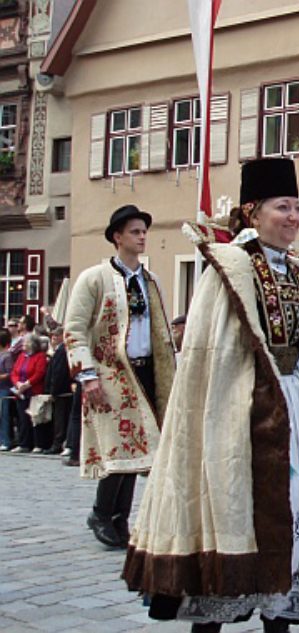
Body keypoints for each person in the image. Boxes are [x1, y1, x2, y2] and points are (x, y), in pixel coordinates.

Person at [122, 158, 299, 633]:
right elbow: (215, 362)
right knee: (235, 519)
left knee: (291, 526)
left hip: (296, 417)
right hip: (239, 419)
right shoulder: (230, 269)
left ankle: (277, 623)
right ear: (252, 211)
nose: (294, 217)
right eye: (283, 206)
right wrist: (246, 407)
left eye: (298, 207)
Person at [64, 204, 176, 548]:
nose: (142, 238)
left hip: (145, 372)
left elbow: (160, 329)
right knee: (118, 446)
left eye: (144, 232)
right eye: (135, 232)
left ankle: (119, 517)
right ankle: (102, 512)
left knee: (138, 450)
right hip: (111, 372)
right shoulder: (94, 278)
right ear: (117, 237)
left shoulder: (150, 281)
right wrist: (87, 375)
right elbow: (75, 328)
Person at [10, 333, 49, 453]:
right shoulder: (22, 356)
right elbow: (14, 372)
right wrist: (18, 384)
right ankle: (24, 443)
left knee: (35, 418)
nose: (23, 345)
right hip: (21, 392)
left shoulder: (40, 356)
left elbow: (39, 372)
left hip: (33, 391)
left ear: (32, 344)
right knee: (22, 419)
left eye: (25, 342)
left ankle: (38, 444)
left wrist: (27, 384)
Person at [43, 327, 73, 455]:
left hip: (62, 390)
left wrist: (53, 390)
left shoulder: (62, 350)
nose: (54, 338)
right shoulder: (57, 350)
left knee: (60, 418)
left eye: (56, 336)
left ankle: (58, 443)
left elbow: (58, 372)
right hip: (59, 390)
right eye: (53, 336)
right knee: (59, 417)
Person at [0, 329, 13, 451]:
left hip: (4, 388)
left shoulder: (7, 355)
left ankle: (6, 440)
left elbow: (10, 373)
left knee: (4, 415)